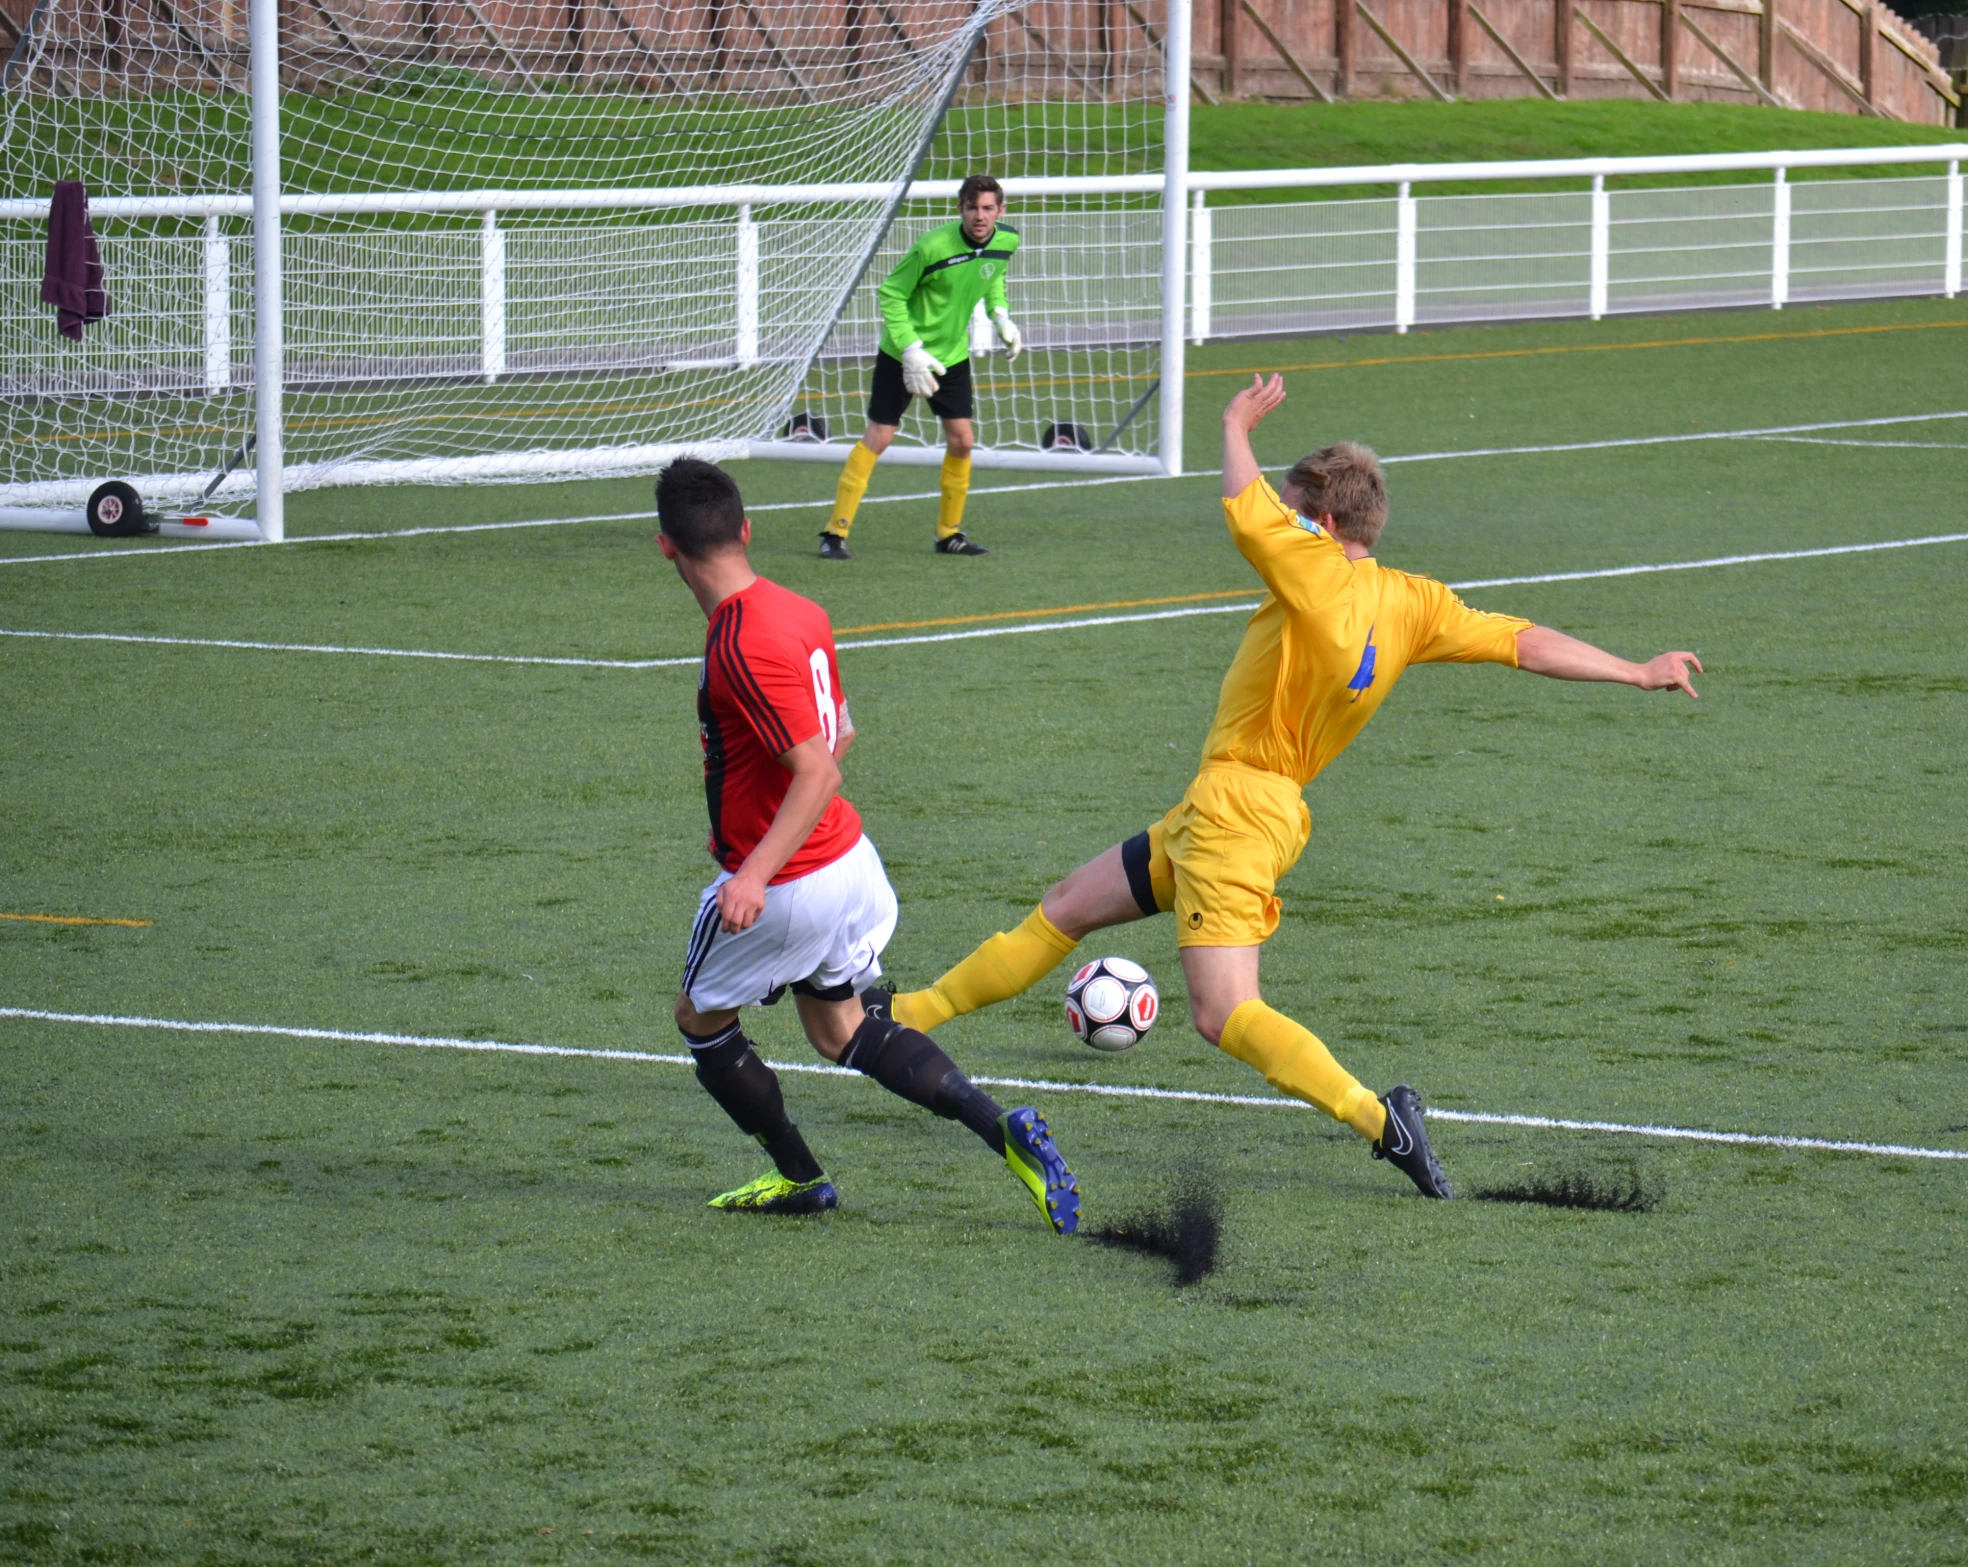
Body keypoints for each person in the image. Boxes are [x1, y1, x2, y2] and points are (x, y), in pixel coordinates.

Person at [877, 376, 1704, 1202]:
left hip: (1236, 813)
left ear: (1326, 523)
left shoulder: (1312, 567)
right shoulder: (1411, 600)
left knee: (1224, 1014)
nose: (1281, 507)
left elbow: (1242, 506)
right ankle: (907, 1013)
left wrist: (1235, 423)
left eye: (1294, 501)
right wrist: (1635, 670)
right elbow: (1523, 641)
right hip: (1240, 807)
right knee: (1066, 906)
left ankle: (1384, 1120)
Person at [654, 457, 1080, 1231]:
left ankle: (799, 1176)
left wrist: (755, 875)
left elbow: (816, 765)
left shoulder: (737, 646)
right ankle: (1001, 1127)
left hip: (788, 881)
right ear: (746, 531)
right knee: (838, 1029)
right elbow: (841, 733)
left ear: (665, 547)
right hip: (849, 863)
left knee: (698, 1015)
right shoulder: (800, 610)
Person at [820, 174, 1021, 561]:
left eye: (987, 208)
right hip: (902, 354)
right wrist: (910, 349)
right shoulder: (932, 247)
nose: (980, 216)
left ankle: (949, 534)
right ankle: (834, 533)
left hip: (952, 356)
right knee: (881, 435)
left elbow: (993, 277)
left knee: (963, 440)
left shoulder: (1007, 239)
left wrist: (1000, 315)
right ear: (960, 208)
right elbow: (891, 293)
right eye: (972, 208)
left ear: (1000, 210)